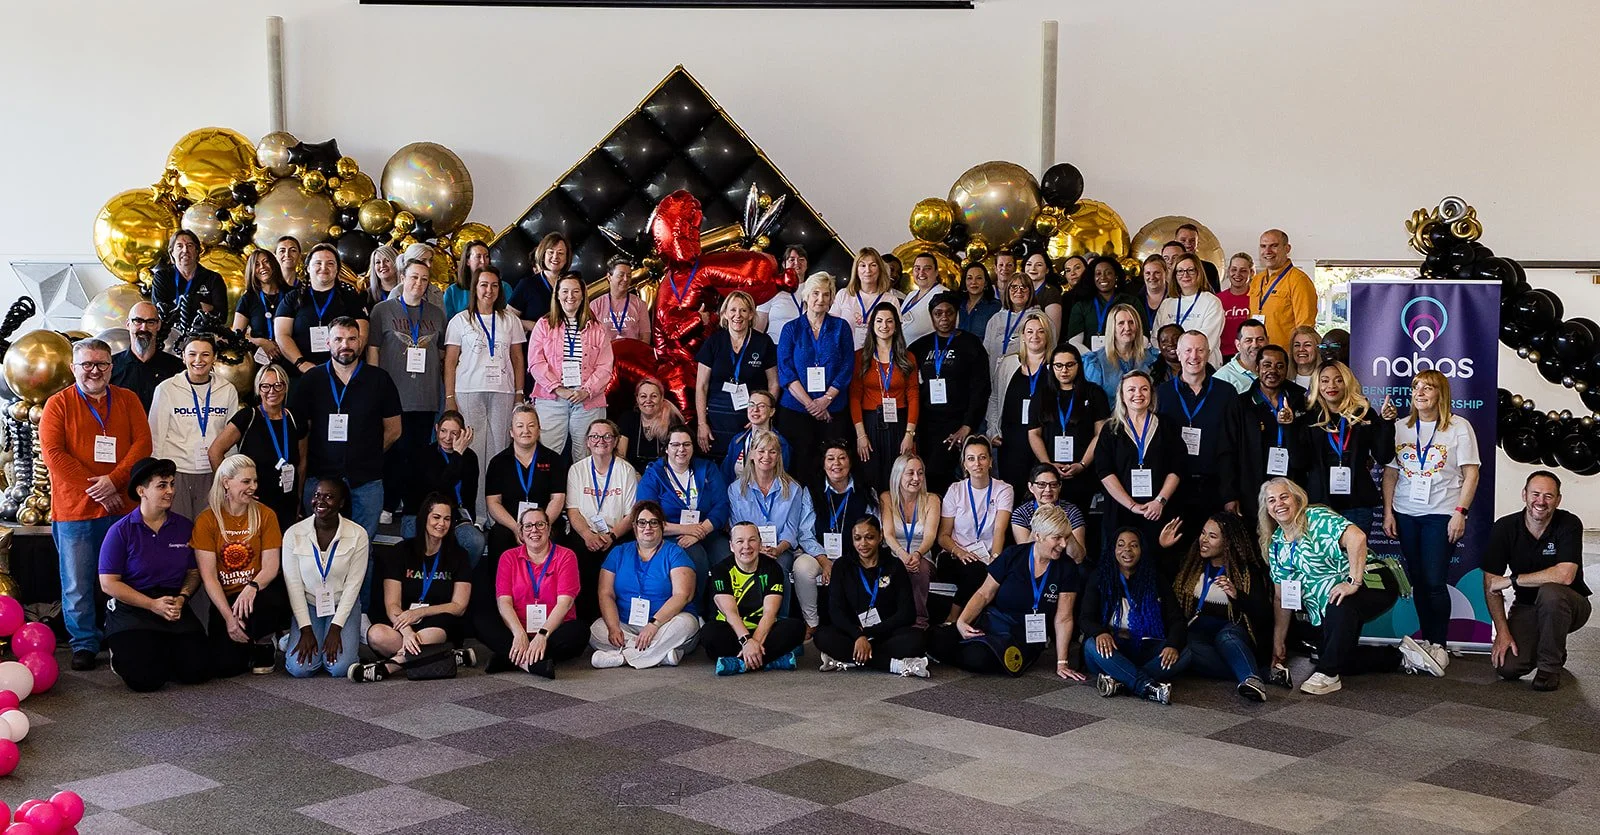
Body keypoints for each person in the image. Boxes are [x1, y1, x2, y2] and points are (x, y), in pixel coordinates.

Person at [1262, 477, 1432, 694]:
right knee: (1335, 653)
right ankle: (1403, 656)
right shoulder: (1276, 545)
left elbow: (1357, 538)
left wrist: (1353, 582)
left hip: (1372, 580)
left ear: (1296, 498)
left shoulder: (1316, 517)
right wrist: (1279, 642)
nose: (1279, 504)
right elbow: (1281, 598)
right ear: (1267, 509)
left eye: (1284, 497)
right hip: (1332, 604)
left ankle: (1328, 675)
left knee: (1339, 603)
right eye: (1272, 500)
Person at [43, 339, 153, 670]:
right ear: (73, 368)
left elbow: (143, 444)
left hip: (122, 510)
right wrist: (101, 488)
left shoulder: (128, 399)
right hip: (75, 511)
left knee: (127, 577)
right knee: (77, 582)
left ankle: (121, 633)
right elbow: (54, 455)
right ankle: (84, 643)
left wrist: (115, 481)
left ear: (112, 367)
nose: (95, 371)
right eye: (87, 364)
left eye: (102, 364)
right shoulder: (57, 404)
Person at [1382, 369, 1481, 672]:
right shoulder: (1399, 427)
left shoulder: (1459, 428)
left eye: (1428, 388)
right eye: (1416, 387)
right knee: (1420, 581)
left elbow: (1471, 474)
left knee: (1435, 581)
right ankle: (1426, 639)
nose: (1420, 393)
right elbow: (1390, 472)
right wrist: (1388, 512)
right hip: (1406, 511)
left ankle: (1439, 643)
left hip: (1442, 512)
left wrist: (1460, 513)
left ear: (1441, 394)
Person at [928, 505, 1084, 677]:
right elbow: (984, 593)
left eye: (1066, 537)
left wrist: (1062, 663)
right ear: (1038, 536)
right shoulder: (1012, 555)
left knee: (977, 657)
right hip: (992, 623)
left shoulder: (1067, 568)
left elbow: (1064, 617)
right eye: (1057, 538)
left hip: (1025, 636)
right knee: (935, 637)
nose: (1063, 544)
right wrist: (962, 622)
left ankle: (960, 653)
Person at [97, 457, 209, 692]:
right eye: (162, 485)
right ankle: (123, 654)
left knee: (198, 671)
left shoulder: (184, 526)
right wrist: (151, 604)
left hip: (171, 603)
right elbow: (108, 584)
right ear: (142, 491)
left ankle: (158, 649)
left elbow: (193, 571)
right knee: (145, 681)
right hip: (133, 605)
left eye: (171, 484)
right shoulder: (120, 531)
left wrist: (182, 598)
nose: (170, 491)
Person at [291, 317, 402, 548]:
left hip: (366, 480)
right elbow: (302, 432)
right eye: (339, 339)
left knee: (362, 548)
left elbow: (394, 430)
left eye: (352, 339)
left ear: (360, 342)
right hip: (320, 478)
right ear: (328, 343)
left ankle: (361, 587)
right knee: (317, 547)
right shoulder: (312, 380)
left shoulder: (379, 380)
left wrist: (368, 453)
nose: (346, 345)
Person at [349, 493, 477, 682]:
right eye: (436, 517)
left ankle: (387, 668)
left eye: (447, 519)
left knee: (429, 635)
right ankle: (443, 656)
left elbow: (458, 606)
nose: (441, 524)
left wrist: (422, 612)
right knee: (376, 634)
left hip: (439, 624)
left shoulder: (459, 555)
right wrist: (407, 631)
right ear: (424, 517)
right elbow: (392, 604)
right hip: (404, 624)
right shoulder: (401, 551)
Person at [1484, 472, 1591, 691]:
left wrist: (1513, 580)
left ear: (1558, 500)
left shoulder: (1569, 523)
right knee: (1508, 668)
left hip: (1570, 604)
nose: (1540, 501)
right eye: (1535, 494)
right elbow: (1491, 585)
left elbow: (1565, 575)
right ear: (1524, 495)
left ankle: (1549, 667)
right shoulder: (1504, 527)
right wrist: (1502, 632)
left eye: (1548, 496)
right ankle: (1551, 642)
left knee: (1551, 592)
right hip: (1527, 606)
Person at [191, 455, 290, 678]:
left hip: (259, 592)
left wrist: (252, 586)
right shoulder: (207, 520)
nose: (252, 487)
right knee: (226, 667)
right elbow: (209, 578)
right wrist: (228, 618)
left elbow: (271, 566)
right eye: (246, 482)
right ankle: (245, 642)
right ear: (226, 482)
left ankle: (264, 643)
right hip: (227, 599)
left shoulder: (266, 514)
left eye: (254, 481)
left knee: (271, 598)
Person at [368, 256, 447, 522]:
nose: (419, 283)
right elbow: (373, 351)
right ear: (403, 278)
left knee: (418, 456)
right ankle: (389, 504)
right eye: (414, 277)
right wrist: (375, 388)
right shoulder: (382, 310)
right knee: (393, 454)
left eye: (424, 279)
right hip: (393, 395)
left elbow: (442, 353)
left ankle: (414, 508)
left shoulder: (437, 314)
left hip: (425, 397)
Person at [445, 264, 527, 520]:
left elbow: (517, 358)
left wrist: (519, 393)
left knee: (499, 450)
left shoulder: (509, 320)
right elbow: (449, 361)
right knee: (474, 453)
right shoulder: (460, 320)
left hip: (502, 391)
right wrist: (450, 398)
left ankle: (496, 515)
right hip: (469, 391)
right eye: (483, 285)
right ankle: (477, 514)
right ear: (474, 288)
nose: (488, 290)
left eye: (493, 285)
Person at [1161, 513, 1272, 701]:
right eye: (1203, 533)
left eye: (1212, 536)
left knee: (1226, 637)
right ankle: (1257, 672)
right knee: (1186, 650)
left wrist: (1238, 597)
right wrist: (1165, 549)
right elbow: (1162, 585)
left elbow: (1264, 616)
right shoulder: (1190, 565)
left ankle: (1252, 680)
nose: (1203, 540)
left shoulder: (1246, 573)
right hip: (1198, 637)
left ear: (1227, 542)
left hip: (1231, 634)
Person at [1079, 528, 1189, 703]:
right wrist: (1100, 632)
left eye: (1134, 545)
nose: (1127, 550)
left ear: (1142, 550)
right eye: (1120, 545)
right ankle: (1144, 685)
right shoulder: (1100, 578)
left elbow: (1177, 619)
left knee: (1185, 653)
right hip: (1111, 647)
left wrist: (1173, 645)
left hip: (1144, 646)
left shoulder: (1155, 579)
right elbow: (1085, 618)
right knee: (1091, 645)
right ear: (1113, 550)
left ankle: (1121, 681)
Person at [1156, 332, 1241, 551]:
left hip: (1214, 488)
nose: (1194, 356)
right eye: (1188, 350)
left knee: (1214, 550)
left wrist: (1230, 493)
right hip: (1174, 490)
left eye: (1200, 350)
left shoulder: (1226, 393)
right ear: (1178, 353)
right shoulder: (1161, 394)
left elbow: (1232, 446)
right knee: (1177, 551)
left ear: (1209, 353)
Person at [590, 501, 701, 669]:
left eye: (653, 522)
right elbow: (606, 593)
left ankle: (622, 658)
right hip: (626, 624)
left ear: (662, 526)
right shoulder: (618, 552)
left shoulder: (675, 553)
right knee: (597, 630)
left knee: (686, 625)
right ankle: (661, 655)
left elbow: (682, 595)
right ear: (634, 527)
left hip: (665, 624)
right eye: (642, 522)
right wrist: (613, 627)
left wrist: (653, 625)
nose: (647, 527)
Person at [725, 431, 822, 618]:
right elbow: (737, 525)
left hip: (780, 548)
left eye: (772, 452)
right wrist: (755, 548)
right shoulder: (736, 489)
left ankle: (780, 622)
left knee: (778, 569)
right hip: (747, 547)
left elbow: (792, 529)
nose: (766, 456)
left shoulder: (793, 488)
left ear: (779, 456)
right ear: (752, 454)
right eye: (761, 451)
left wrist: (777, 549)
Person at [815, 516, 927, 674]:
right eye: (857, 538)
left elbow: (907, 613)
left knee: (918, 639)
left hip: (884, 632)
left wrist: (868, 633)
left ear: (880, 536)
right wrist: (858, 635)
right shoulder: (842, 566)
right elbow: (835, 611)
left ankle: (852, 659)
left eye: (869, 537)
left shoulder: (894, 565)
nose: (863, 544)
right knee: (822, 636)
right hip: (852, 634)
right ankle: (894, 665)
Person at [279, 477, 367, 678]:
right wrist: (305, 630)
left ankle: (350, 631)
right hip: (309, 605)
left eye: (329, 497)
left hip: (342, 603)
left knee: (339, 668)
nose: (320, 502)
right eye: (317, 495)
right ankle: (294, 636)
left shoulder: (357, 535)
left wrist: (336, 629)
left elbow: (353, 585)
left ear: (341, 503)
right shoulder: (294, 533)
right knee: (299, 669)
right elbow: (293, 585)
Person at [483, 506, 586, 676]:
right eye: (528, 526)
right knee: (482, 619)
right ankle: (532, 663)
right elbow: (504, 602)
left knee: (579, 632)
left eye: (540, 524)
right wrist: (519, 633)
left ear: (549, 528)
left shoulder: (566, 556)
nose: (534, 530)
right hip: (517, 629)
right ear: (521, 532)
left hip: (552, 631)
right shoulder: (508, 557)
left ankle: (509, 657)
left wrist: (542, 635)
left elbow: (565, 603)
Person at [148, 333, 239, 520]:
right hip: (177, 473)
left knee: (208, 534)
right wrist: (159, 479)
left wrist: (230, 476)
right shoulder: (166, 389)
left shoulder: (227, 390)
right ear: (183, 357)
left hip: (213, 473)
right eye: (192, 354)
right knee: (178, 532)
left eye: (205, 354)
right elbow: (156, 436)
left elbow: (231, 439)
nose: (198, 360)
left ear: (214, 357)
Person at [910, 292, 991, 496]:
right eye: (938, 313)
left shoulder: (971, 344)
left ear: (957, 314)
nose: (944, 318)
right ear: (931, 316)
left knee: (945, 477)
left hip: (956, 425)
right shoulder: (920, 346)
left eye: (949, 313)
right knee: (925, 475)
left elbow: (981, 389)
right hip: (926, 425)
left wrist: (967, 426)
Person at [1301, 361, 1397, 532]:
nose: (1331, 385)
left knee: (1356, 558)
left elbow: (1383, 456)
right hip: (1320, 505)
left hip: (1357, 504)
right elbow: (1299, 460)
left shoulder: (1363, 414)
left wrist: (1386, 424)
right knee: (1324, 559)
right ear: (1317, 384)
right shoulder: (1309, 416)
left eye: (1338, 380)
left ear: (1347, 383)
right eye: (1325, 380)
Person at [777, 272, 854, 483]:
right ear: (806, 296)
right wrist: (811, 404)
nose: (820, 299)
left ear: (831, 299)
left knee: (832, 467)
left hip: (833, 410)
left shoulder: (841, 327)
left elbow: (847, 366)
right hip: (795, 410)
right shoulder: (791, 329)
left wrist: (826, 400)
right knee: (798, 466)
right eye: (815, 293)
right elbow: (786, 371)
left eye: (826, 294)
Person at [208, 364, 306, 527]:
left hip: (287, 503)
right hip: (253, 502)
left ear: (286, 387)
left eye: (278, 385)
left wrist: (299, 498)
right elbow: (214, 452)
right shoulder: (247, 417)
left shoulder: (295, 420)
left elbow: (302, 464)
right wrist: (231, 490)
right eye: (265, 386)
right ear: (258, 389)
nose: (272, 391)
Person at [1094, 370, 1182, 551]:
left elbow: (1177, 467)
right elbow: (1104, 471)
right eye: (1131, 390)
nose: (1138, 395)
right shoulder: (1111, 429)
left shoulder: (1167, 425)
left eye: (1144, 389)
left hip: (1158, 510)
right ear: (1122, 396)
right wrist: (1131, 505)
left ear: (1151, 393)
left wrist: (1160, 501)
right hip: (1120, 510)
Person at [702, 522, 806, 674]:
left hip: (763, 629)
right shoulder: (721, 570)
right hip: (733, 629)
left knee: (796, 628)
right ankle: (771, 661)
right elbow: (730, 613)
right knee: (709, 634)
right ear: (731, 546)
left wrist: (754, 643)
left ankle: (740, 663)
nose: (746, 546)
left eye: (752, 540)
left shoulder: (773, 568)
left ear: (760, 543)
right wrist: (746, 641)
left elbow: (770, 613)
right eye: (740, 541)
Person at [528, 273, 613, 458]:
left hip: (587, 399)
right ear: (557, 295)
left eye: (575, 291)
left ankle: (583, 488)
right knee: (548, 454)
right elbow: (535, 362)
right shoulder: (543, 325)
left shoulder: (598, 328)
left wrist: (586, 391)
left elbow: (605, 367)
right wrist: (558, 388)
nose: (570, 296)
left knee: (586, 454)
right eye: (565, 291)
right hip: (551, 398)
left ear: (583, 295)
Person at [637, 425, 730, 594]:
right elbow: (646, 518)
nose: (681, 449)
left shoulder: (708, 469)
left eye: (687, 444)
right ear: (666, 448)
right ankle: (696, 612)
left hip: (708, 531)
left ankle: (721, 611)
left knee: (728, 558)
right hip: (671, 534)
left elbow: (721, 505)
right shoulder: (653, 475)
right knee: (696, 558)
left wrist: (700, 531)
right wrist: (687, 529)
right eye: (675, 445)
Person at [567, 419, 639, 619]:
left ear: (615, 441)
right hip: (585, 533)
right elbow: (573, 511)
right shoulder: (577, 470)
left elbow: (631, 514)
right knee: (578, 556)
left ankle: (618, 617)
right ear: (588, 442)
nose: (601, 441)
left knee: (619, 559)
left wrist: (612, 536)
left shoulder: (626, 470)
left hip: (617, 533)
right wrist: (587, 535)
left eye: (607, 436)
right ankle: (584, 619)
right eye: (595, 436)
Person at [1027, 344, 1109, 519]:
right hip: (1048, 476)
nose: (1064, 370)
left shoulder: (1094, 393)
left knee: (1079, 522)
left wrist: (1082, 464)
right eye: (1058, 366)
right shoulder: (1041, 395)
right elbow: (1034, 434)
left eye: (1069, 365)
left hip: (1083, 472)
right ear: (1052, 368)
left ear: (1078, 365)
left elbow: (1100, 433)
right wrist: (1048, 465)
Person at [697, 291, 779, 459]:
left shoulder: (763, 343)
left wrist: (762, 417)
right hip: (716, 423)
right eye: (733, 310)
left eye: (743, 310)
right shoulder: (714, 342)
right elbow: (701, 386)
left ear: (751, 314)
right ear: (725, 314)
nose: (737, 315)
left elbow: (774, 383)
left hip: (750, 421)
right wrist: (701, 424)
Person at [483, 404, 568, 564]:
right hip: (511, 523)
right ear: (511, 432)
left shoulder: (553, 459)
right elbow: (493, 503)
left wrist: (540, 526)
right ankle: (501, 589)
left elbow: (558, 498)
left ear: (538, 430)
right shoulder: (498, 462)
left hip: (546, 522)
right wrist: (517, 528)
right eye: (520, 426)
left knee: (556, 537)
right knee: (498, 537)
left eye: (531, 426)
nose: (526, 431)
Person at [938, 436, 1014, 609]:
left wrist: (994, 560)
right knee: (976, 572)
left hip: (988, 555)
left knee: (988, 572)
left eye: (982, 457)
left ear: (990, 461)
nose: (977, 463)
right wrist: (960, 552)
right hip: (954, 555)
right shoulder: (955, 490)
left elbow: (999, 531)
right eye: (971, 458)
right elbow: (943, 536)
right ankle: (956, 617)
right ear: (964, 464)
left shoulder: (1004, 489)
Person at [851, 303, 919, 492]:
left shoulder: (907, 357)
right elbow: (855, 397)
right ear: (872, 325)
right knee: (871, 476)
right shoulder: (860, 357)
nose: (884, 326)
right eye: (879, 321)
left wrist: (909, 434)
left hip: (900, 423)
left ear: (896, 325)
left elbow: (913, 395)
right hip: (870, 423)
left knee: (899, 477)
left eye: (889, 321)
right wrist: (861, 435)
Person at [807, 440, 875, 630]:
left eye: (842, 458)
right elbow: (805, 533)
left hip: (856, 555)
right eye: (830, 458)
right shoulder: (812, 491)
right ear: (823, 463)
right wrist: (824, 561)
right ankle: (812, 622)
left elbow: (873, 532)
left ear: (850, 462)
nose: (836, 463)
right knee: (802, 568)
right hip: (819, 555)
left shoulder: (865, 491)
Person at [401, 411, 485, 560]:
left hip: (454, 516)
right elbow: (440, 489)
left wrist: (470, 521)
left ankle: (457, 579)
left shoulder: (470, 457)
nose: (447, 438)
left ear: (462, 434)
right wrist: (457, 457)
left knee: (475, 541)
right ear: (436, 428)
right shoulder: (424, 455)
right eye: (443, 431)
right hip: (420, 514)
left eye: (454, 433)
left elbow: (470, 494)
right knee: (418, 541)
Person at [986, 310, 1054, 494]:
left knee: (1043, 493)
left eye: (1041, 331)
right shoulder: (1009, 364)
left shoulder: (1054, 366)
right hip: (1011, 441)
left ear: (1048, 335)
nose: (1035, 336)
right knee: (1012, 493)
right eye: (1030, 331)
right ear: (1023, 336)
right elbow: (995, 398)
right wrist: (993, 429)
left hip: (1044, 442)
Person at [274, 244, 370, 373]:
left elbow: (362, 334)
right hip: (301, 373)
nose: (324, 268)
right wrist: (302, 364)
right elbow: (282, 335)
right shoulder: (292, 298)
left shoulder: (351, 297)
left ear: (337, 269)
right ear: (308, 268)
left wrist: (343, 365)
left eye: (330, 263)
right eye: (318, 263)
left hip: (343, 372)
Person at [1237, 345, 1308, 519]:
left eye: (1279, 366)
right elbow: (1231, 450)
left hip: (1293, 485)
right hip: (1253, 488)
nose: (1273, 371)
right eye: (1267, 365)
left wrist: (1290, 425)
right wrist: (1231, 494)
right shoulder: (1242, 404)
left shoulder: (1300, 401)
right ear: (1257, 368)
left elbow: (1307, 448)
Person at [881, 453, 939, 628]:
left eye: (920, 473)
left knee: (918, 568)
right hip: (893, 553)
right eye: (910, 473)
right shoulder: (887, 498)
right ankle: (889, 620)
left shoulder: (932, 500)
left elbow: (930, 536)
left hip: (921, 555)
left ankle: (919, 621)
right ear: (898, 475)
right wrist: (902, 555)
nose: (916, 478)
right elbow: (888, 534)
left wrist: (916, 554)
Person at [1249, 230, 1318, 350]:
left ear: (1287, 248)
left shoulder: (1298, 280)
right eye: (1263, 246)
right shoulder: (1256, 280)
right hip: (1258, 355)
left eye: (1274, 246)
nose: (1267, 251)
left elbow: (1305, 328)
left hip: (1284, 359)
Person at [110, 301, 183, 411]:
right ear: (128, 324)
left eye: (150, 322)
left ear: (158, 325)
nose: (144, 328)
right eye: (138, 321)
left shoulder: (177, 369)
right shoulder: (110, 368)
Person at [1081, 304, 1157, 402]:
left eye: (1131, 322)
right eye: (1121, 323)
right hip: (1110, 416)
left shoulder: (1152, 358)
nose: (1127, 328)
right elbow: (1094, 404)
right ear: (1112, 328)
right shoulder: (1096, 362)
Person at [1155, 253, 1224, 360]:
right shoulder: (1167, 304)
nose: (1185, 275)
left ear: (1198, 273)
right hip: (1170, 366)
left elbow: (1207, 341)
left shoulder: (1211, 302)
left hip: (1202, 364)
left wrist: (1180, 354)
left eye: (1190, 270)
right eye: (1180, 271)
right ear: (1174, 275)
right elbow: (1157, 337)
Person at [832, 247, 903, 350]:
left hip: (877, 357)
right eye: (862, 265)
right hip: (846, 356)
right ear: (856, 269)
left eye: (873, 265)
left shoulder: (890, 300)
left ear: (880, 269)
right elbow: (832, 328)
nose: (867, 270)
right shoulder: (844, 295)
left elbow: (896, 336)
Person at [1009, 465, 1087, 557]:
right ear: (1031, 487)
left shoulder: (1071, 511)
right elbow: (1025, 555)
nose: (1048, 490)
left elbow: (1078, 557)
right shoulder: (1021, 513)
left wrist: (1064, 528)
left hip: (1066, 564)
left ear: (1060, 486)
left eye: (1053, 484)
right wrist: (1042, 518)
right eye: (1041, 485)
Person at [233, 250, 292, 370]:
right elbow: (235, 336)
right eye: (257, 265)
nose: (262, 267)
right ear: (252, 270)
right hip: (259, 366)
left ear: (274, 264)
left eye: (266, 262)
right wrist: (260, 342)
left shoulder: (292, 294)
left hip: (291, 361)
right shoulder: (248, 298)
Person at [149, 230, 227, 319]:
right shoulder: (162, 277)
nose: (185, 250)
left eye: (190, 246)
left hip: (203, 331)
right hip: (170, 331)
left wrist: (175, 309)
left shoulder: (213, 279)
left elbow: (222, 316)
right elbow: (158, 313)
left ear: (197, 250)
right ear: (172, 252)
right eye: (180, 246)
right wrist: (200, 306)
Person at [720, 390, 792, 484]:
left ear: (772, 411)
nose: (755, 409)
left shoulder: (780, 444)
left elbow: (782, 478)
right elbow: (725, 475)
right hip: (736, 495)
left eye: (761, 406)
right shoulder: (737, 441)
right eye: (751, 404)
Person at [1065, 257, 1137, 352]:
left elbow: (1143, 336)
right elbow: (1074, 341)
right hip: (1090, 362)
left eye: (1108, 273)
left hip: (1127, 359)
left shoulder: (1131, 301)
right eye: (1098, 273)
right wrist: (1093, 360)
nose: (1103, 277)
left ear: (1116, 276)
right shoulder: (1082, 305)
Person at [616, 377, 685, 471]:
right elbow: (621, 455)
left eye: (654, 396)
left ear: (661, 398)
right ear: (637, 399)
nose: (648, 400)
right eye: (643, 396)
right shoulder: (627, 418)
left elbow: (678, 456)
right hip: (632, 473)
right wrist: (631, 474)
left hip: (664, 474)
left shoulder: (673, 420)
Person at [508, 233, 569, 329]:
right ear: (543, 255)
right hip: (535, 342)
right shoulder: (527, 284)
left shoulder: (573, 284)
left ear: (566, 258)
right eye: (551, 252)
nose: (555, 256)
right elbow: (508, 318)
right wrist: (533, 326)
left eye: (560, 253)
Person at [585, 258, 648, 345]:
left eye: (629, 276)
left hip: (631, 355)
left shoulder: (639, 304)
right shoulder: (596, 305)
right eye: (621, 275)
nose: (625, 279)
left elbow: (645, 338)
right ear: (609, 277)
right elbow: (590, 339)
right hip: (605, 356)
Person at [984, 273, 1039, 363]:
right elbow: (986, 351)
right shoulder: (996, 319)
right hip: (996, 371)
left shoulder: (1040, 319)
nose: (1019, 291)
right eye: (1014, 287)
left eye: (1023, 287)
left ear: (1031, 291)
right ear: (1007, 290)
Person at [755, 244, 807, 337]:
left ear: (807, 265)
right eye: (791, 260)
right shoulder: (772, 289)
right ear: (784, 264)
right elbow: (759, 325)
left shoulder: (813, 289)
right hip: (775, 346)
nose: (797, 263)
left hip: (804, 348)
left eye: (801, 259)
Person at [899, 251, 946, 345]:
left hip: (927, 353)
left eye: (927, 268)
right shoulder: (911, 295)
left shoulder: (943, 294)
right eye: (917, 268)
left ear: (936, 272)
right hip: (903, 353)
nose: (921, 273)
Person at [1217, 253, 1254, 361]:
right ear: (1228, 271)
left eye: (1243, 270)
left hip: (1250, 357)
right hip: (1223, 357)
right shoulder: (1217, 300)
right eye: (1234, 269)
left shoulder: (1257, 299)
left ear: (1251, 273)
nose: (1237, 274)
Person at [1215, 318, 1268, 393]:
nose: (1255, 345)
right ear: (1238, 345)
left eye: (1260, 339)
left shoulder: (1277, 369)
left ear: (1268, 341)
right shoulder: (1222, 378)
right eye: (1248, 340)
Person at [1021, 251, 1065, 338]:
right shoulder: (1020, 290)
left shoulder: (1051, 293)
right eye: (1029, 264)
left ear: (1047, 270)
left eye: (1039, 265)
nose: (1033, 268)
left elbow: (1054, 332)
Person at [957, 263, 1000, 339]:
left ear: (986, 283)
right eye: (969, 278)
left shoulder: (995, 307)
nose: (973, 282)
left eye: (979, 278)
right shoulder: (958, 305)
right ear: (964, 282)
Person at [1174, 223, 1220, 291]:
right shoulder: (1168, 268)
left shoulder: (1209, 268)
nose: (1187, 244)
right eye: (1183, 240)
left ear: (1197, 243)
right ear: (1175, 242)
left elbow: (1216, 296)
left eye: (1192, 241)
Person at [1137, 255, 1169, 334]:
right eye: (1148, 273)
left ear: (1166, 273)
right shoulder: (1135, 299)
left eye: (1157, 273)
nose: (1152, 277)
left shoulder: (1176, 298)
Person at [1288, 325, 1322, 390]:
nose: (1301, 349)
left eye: (1307, 345)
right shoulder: (1283, 380)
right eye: (1297, 345)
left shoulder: (1326, 382)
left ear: (1317, 349)